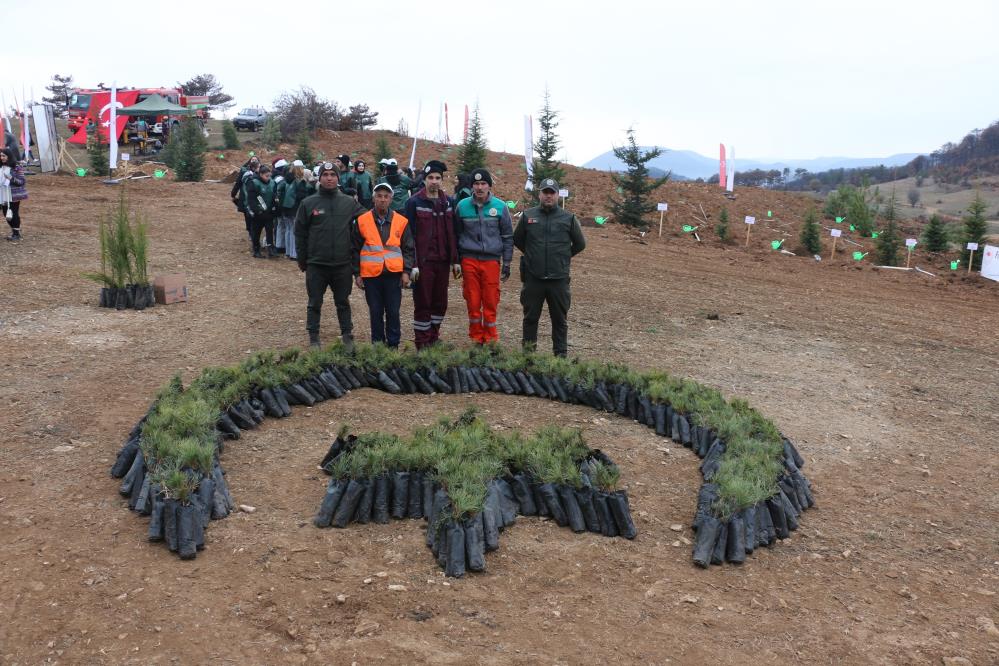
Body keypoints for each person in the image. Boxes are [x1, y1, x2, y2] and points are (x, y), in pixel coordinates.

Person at [294, 162, 367, 350]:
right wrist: (303, 260)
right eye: (325, 174)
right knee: (314, 302)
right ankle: (314, 337)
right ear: (320, 178)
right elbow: (300, 233)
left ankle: (347, 335)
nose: (329, 178)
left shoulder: (348, 203)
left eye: (332, 174)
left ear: (338, 178)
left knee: (343, 302)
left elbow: (368, 219)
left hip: (342, 265)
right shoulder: (308, 203)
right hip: (316, 264)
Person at [513, 178, 586, 357]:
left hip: (558, 280)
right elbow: (518, 239)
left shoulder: (568, 218)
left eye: (552, 192)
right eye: (545, 192)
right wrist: (533, 254)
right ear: (539, 194)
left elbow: (580, 243)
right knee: (530, 319)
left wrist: (562, 257)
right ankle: (528, 357)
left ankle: (559, 358)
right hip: (533, 278)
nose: (548, 196)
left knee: (560, 320)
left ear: (557, 195)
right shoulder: (528, 216)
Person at [403, 159, 459, 349]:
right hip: (423, 263)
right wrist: (413, 264)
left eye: (437, 178)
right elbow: (408, 237)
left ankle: (434, 337)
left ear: (442, 180)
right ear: (424, 180)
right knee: (423, 302)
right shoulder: (413, 202)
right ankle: (422, 342)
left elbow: (453, 233)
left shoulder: (449, 202)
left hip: (442, 262)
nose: (434, 181)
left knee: (440, 302)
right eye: (430, 178)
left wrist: (455, 260)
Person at [454, 168, 513, 344]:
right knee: (472, 300)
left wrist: (507, 263)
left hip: (491, 261)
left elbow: (508, 237)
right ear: (472, 186)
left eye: (483, 183)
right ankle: (476, 337)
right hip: (469, 260)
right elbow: (456, 235)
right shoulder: (462, 206)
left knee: (490, 300)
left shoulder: (500, 207)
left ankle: (491, 338)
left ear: (489, 186)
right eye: (476, 184)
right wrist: (456, 261)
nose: (479, 187)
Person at [352, 182, 414, 348]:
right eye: (379, 196)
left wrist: (406, 271)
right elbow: (355, 249)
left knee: (393, 312)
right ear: (373, 199)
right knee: (375, 312)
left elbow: (408, 248)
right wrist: (357, 273)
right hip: (371, 276)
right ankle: (378, 347)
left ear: (391, 199)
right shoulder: (361, 221)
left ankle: (393, 346)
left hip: (394, 275)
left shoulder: (401, 222)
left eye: (386, 196)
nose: (382, 200)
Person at [280, 161, 314, 261]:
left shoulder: (287, 179)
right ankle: (294, 254)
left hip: (286, 208)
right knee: (295, 231)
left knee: (289, 230)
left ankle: (288, 251)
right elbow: (301, 196)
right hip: (295, 208)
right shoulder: (299, 181)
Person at [244, 164, 278, 258]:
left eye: (269, 176)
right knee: (256, 231)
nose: (268, 178)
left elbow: (274, 196)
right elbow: (251, 199)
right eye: (266, 176)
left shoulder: (272, 183)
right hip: (258, 213)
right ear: (261, 174)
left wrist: (274, 207)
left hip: (268, 212)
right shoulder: (254, 183)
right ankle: (256, 250)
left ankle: (271, 249)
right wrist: (257, 211)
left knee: (269, 231)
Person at [230, 156, 260, 245]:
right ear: (249, 161)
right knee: (247, 214)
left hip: (256, 197)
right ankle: (250, 230)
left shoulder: (261, 171)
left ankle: (254, 231)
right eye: (252, 159)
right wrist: (233, 193)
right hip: (245, 196)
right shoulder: (244, 171)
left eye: (256, 159)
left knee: (254, 215)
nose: (254, 160)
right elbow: (238, 183)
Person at [0, 148, 26, 241]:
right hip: (2, 194)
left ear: (9, 156)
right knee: (5, 213)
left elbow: (22, 181)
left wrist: (11, 178)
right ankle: (15, 231)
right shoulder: (1, 167)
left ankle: (16, 233)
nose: (2, 157)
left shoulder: (17, 167)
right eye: (1, 156)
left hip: (14, 194)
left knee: (13, 213)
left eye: (4, 156)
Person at [271, 159, 289, 255]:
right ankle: (281, 245)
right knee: (282, 225)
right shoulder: (280, 180)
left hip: (277, 205)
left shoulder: (275, 178)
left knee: (279, 225)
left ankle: (279, 245)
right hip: (280, 205)